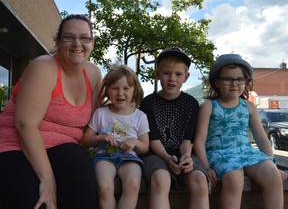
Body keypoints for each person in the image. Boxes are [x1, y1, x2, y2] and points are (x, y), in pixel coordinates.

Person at [0, 14, 102, 209]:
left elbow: (94, 124)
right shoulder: (44, 66)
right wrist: (47, 179)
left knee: (82, 183)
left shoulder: (94, 74)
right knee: (34, 200)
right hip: (16, 144)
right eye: (69, 37)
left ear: (92, 42)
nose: (77, 44)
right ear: (58, 41)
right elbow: (25, 125)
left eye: (84, 37)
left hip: (64, 147)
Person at [193, 53, 288, 209]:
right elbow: (199, 141)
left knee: (273, 175)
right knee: (234, 178)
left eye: (239, 79)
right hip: (220, 153)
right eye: (228, 79)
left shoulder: (248, 106)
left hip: (246, 152)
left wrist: (273, 163)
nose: (234, 83)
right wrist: (206, 167)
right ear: (217, 82)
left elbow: (262, 139)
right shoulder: (209, 106)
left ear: (246, 81)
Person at [139, 47, 210, 209]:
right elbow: (153, 140)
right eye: (166, 73)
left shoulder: (191, 104)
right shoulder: (148, 103)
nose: (172, 79)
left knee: (199, 179)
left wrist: (186, 156)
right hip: (155, 153)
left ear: (186, 76)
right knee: (161, 179)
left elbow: (187, 140)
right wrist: (166, 158)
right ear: (158, 74)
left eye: (178, 74)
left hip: (182, 153)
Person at [82, 65, 150, 209]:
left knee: (133, 184)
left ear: (134, 90)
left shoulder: (140, 116)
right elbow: (86, 140)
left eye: (126, 88)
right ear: (107, 89)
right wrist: (100, 138)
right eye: (115, 88)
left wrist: (135, 142)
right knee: (104, 186)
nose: (120, 93)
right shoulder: (101, 113)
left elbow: (145, 147)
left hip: (129, 157)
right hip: (104, 156)